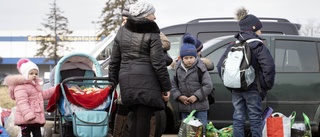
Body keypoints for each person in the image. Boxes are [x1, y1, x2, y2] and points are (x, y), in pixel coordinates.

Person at [108, 1, 171, 137]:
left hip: (126, 80)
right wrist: (166, 87)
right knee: (143, 117)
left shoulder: (122, 31)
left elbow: (114, 60)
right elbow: (158, 63)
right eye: (153, 14)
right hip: (147, 81)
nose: (155, 17)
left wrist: (112, 82)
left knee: (136, 116)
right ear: (145, 15)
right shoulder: (153, 32)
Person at [216, 7, 276, 137]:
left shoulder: (233, 44)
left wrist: (231, 84)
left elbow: (220, 66)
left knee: (238, 117)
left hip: (236, 88)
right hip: (253, 88)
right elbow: (269, 66)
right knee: (255, 118)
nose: (261, 31)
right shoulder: (257, 45)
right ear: (253, 28)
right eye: (259, 28)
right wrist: (266, 85)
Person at [171, 35, 214, 135]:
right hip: (184, 107)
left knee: (201, 130)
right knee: (187, 132)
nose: (189, 60)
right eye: (186, 58)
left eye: (191, 57)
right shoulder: (177, 68)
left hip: (201, 107)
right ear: (182, 58)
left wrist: (196, 96)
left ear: (196, 56)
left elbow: (208, 85)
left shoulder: (201, 67)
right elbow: (173, 86)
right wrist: (179, 97)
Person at [3, 58, 55, 137]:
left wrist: (55, 89)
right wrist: (28, 115)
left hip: (35, 118)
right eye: (31, 73)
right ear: (25, 75)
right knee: (26, 135)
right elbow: (22, 102)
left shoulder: (34, 87)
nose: (34, 75)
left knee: (37, 134)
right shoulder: (20, 87)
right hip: (26, 119)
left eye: (36, 73)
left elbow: (42, 95)